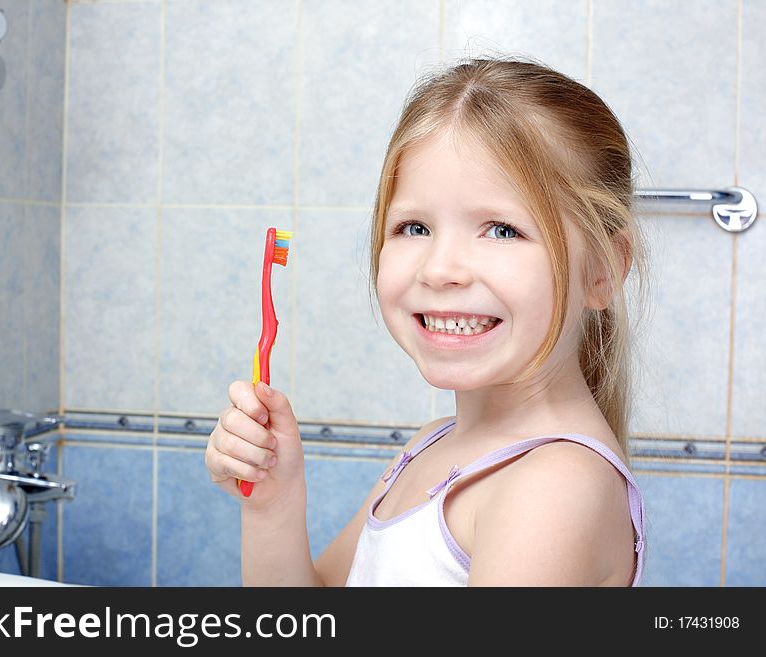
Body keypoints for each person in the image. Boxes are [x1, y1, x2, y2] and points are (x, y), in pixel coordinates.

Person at [205, 56, 651, 586]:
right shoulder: (435, 444)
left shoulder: (555, 487)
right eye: (414, 226)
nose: (439, 269)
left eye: (502, 230)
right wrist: (272, 505)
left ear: (602, 270)